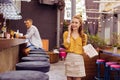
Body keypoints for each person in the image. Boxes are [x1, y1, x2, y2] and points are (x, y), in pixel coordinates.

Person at [63, 15, 87, 80]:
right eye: (72, 22)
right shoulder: (66, 33)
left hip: (79, 59)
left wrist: (87, 51)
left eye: (76, 23)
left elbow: (84, 48)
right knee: (69, 78)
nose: (74, 24)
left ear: (80, 24)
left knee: (78, 78)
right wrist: (69, 33)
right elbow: (66, 45)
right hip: (70, 58)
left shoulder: (83, 36)